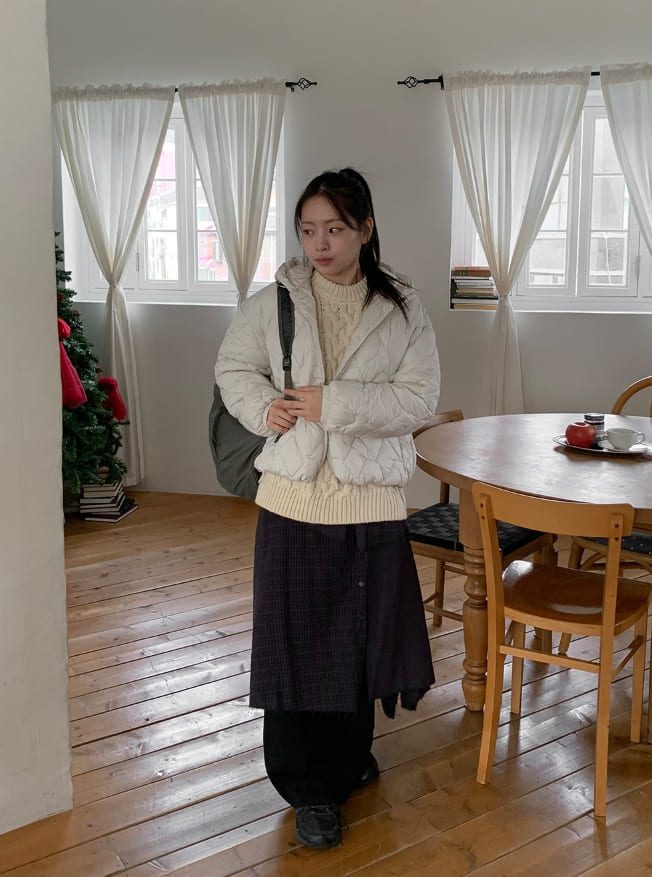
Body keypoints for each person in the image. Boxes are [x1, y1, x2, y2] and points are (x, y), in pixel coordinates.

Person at [215, 167, 440, 849]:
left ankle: (344, 760)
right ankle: (308, 787)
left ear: (365, 229)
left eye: (335, 228)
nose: (320, 243)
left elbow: (419, 399)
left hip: (370, 502)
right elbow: (234, 368)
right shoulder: (273, 303)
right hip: (292, 498)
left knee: (357, 640)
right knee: (294, 645)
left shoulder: (404, 307)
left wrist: (331, 403)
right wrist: (265, 407)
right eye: (308, 229)